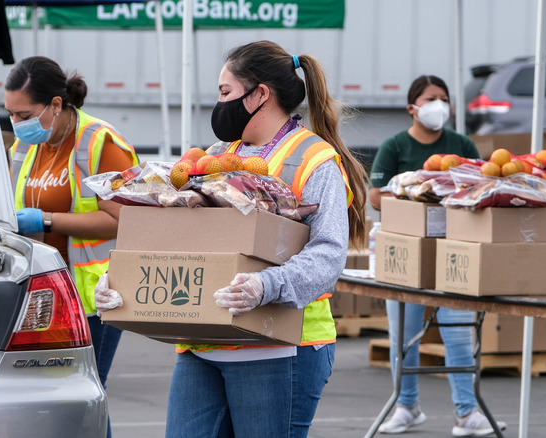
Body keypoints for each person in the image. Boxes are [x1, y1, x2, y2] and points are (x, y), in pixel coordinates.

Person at [95, 40, 369, 437]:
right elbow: (184, 235)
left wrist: (265, 285)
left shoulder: (315, 160)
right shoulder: (216, 154)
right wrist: (123, 279)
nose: (219, 103)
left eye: (225, 93)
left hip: (280, 346)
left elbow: (328, 254)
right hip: (205, 340)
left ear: (260, 94)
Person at [4, 56, 139, 438]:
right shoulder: (27, 146)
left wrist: (46, 221)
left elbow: (126, 220)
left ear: (56, 105)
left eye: (24, 113)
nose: (16, 123)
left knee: (84, 396)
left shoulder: (101, 142)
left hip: (97, 295)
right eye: (10, 114)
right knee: (56, 399)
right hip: (45, 297)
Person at [368, 75, 507, 436]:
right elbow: (376, 196)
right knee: (405, 334)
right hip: (409, 252)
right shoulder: (395, 146)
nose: (439, 105)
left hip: (453, 250)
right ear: (412, 107)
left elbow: (480, 187)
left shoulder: (460, 144)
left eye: (444, 98)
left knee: (458, 333)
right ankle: (406, 404)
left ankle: (467, 411)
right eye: (431, 98)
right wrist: (416, 201)